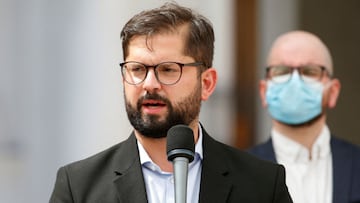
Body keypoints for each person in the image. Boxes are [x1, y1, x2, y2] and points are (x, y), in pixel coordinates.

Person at [49, 3, 292, 203]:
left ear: (206, 83)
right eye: (137, 69)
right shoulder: (79, 187)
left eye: (167, 69)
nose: (150, 83)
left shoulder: (262, 185)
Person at [249, 30, 360, 203]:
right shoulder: (239, 172)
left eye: (309, 71)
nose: (295, 81)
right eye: (281, 71)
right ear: (264, 92)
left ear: (333, 92)